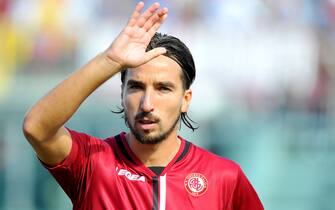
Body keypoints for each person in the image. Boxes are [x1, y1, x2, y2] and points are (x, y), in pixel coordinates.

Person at [22, 2, 264, 210]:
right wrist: (110, 61)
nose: (147, 104)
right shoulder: (93, 163)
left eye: (163, 88)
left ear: (185, 100)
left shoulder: (224, 177)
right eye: (136, 87)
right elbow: (37, 128)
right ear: (122, 93)